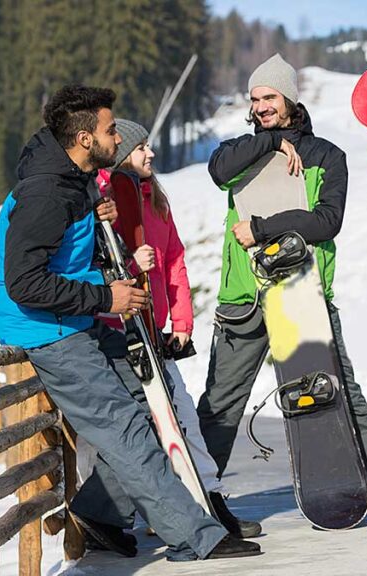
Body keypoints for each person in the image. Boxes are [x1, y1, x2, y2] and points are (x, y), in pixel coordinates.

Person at [0, 85, 260, 561]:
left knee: (150, 406)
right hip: (46, 326)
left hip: (74, 312)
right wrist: (104, 297)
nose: (119, 137)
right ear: (85, 139)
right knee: (125, 424)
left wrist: (96, 219)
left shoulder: (76, 179)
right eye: (111, 130)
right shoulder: (47, 192)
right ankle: (195, 537)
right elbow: (23, 283)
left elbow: (65, 253)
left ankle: (99, 514)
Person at [195, 54, 367, 523]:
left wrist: (261, 228)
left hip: (302, 295)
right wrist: (275, 141)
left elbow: (326, 222)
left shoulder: (326, 156)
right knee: (221, 404)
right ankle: (196, 499)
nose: (261, 106)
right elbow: (219, 171)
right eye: (255, 98)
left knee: (342, 390)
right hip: (243, 297)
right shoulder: (239, 152)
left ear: (290, 100)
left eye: (270, 98)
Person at [74, 118, 261, 540]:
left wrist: (182, 322)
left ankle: (206, 499)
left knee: (181, 420)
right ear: (122, 156)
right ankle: (115, 515)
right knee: (129, 427)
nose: (151, 155)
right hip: (115, 330)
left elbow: (174, 261)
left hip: (153, 331)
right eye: (142, 149)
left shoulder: (156, 200)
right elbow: (93, 263)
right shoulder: (104, 201)